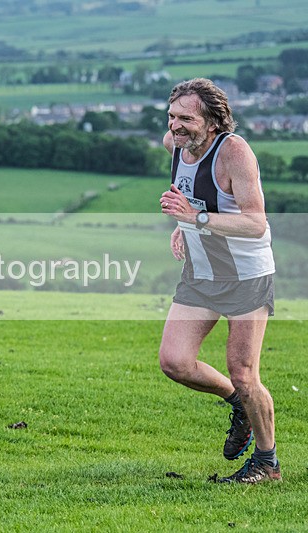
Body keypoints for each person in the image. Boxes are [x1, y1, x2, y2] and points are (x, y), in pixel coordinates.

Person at [158, 78, 279, 483]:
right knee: (175, 361)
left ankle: (267, 462)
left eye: (185, 118)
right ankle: (238, 404)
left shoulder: (234, 153)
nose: (175, 126)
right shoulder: (174, 144)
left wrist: (195, 219)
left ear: (212, 122)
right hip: (201, 273)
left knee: (244, 373)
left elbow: (255, 222)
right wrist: (182, 226)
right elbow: (189, 195)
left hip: (245, 276)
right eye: (172, 116)